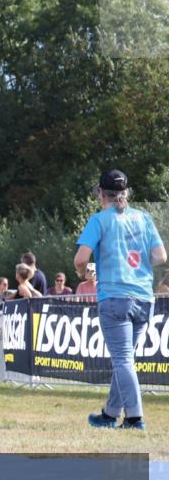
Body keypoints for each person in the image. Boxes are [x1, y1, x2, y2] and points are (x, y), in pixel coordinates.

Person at [75, 169, 166, 431]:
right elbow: (160, 256)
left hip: (115, 296)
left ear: (101, 193)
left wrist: (81, 273)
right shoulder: (143, 218)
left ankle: (135, 418)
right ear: (126, 193)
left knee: (123, 360)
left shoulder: (99, 220)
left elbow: (81, 259)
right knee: (125, 359)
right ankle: (110, 413)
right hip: (144, 298)